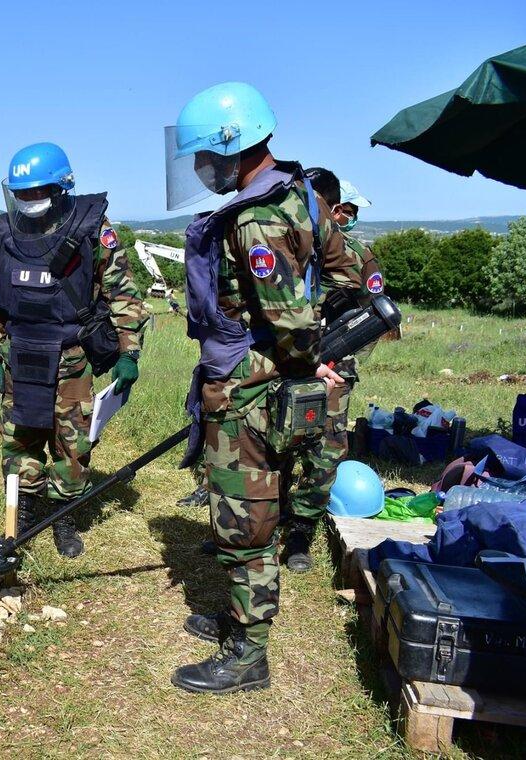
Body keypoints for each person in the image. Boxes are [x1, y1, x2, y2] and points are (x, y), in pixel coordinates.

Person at [164, 82, 346, 694]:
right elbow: (351, 272)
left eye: (204, 157)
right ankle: (241, 620)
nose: (200, 169)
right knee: (251, 508)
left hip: (249, 392)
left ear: (233, 145)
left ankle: (248, 653)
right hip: (261, 383)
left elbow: (291, 325)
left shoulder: (256, 220)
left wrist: (306, 360)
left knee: (245, 516)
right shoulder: (300, 196)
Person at [0, 142, 149, 558]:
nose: (31, 201)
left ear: (61, 187)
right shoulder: (4, 233)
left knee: (71, 443)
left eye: (39, 191)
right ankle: (29, 513)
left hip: (72, 357)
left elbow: (123, 294)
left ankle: (65, 517)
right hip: (21, 357)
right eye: (23, 193)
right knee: (20, 438)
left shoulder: (93, 230)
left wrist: (129, 353)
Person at [281, 169, 384, 572]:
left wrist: (340, 345)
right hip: (286, 360)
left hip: (334, 366)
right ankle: (264, 522)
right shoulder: (286, 245)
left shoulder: (357, 255)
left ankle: (301, 532)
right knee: (275, 442)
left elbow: (377, 317)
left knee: (325, 448)